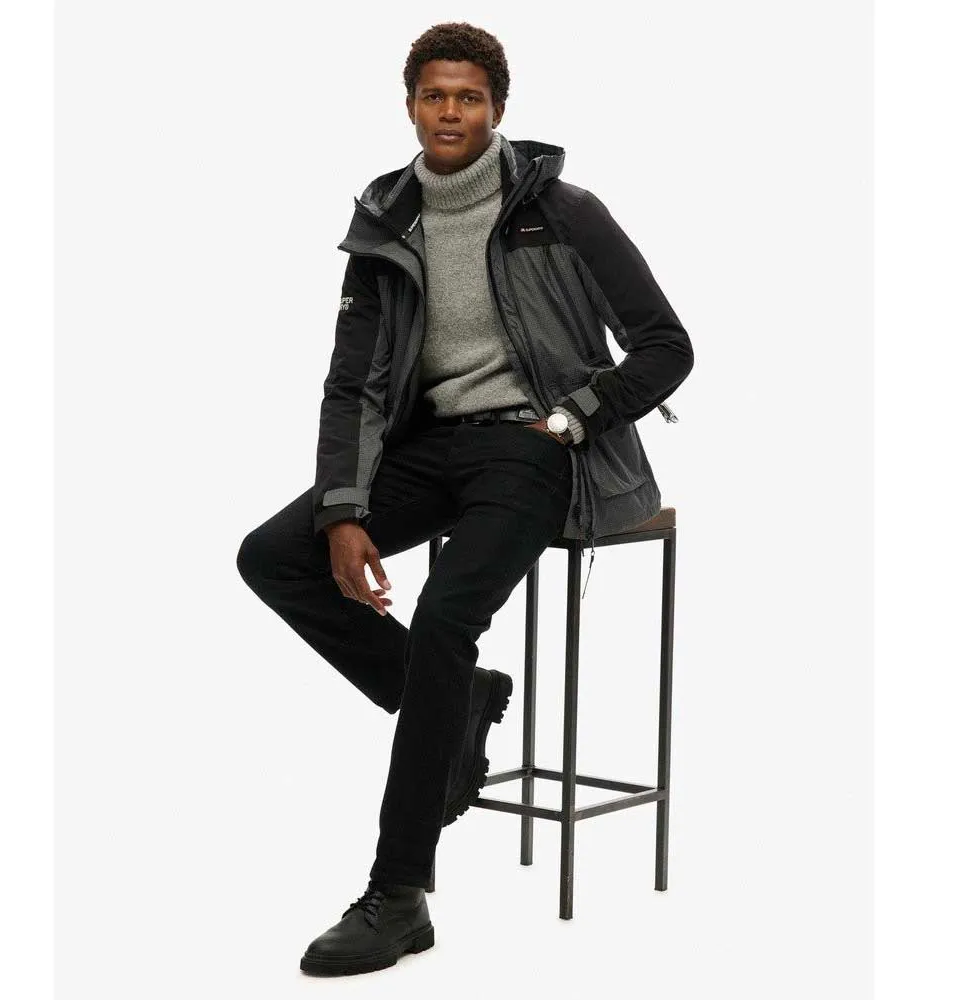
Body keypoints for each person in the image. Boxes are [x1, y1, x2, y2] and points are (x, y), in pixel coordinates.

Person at [236, 20, 694, 977]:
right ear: (410, 105)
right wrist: (344, 509)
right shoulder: (386, 223)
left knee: (445, 619)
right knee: (273, 555)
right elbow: (351, 383)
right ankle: (459, 700)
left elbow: (665, 344)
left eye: (470, 98)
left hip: (532, 451)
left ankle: (398, 895)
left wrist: (572, 419)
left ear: (498, 109)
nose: (451, 112)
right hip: (428, 448)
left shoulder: (563, 212)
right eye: (435, 96)